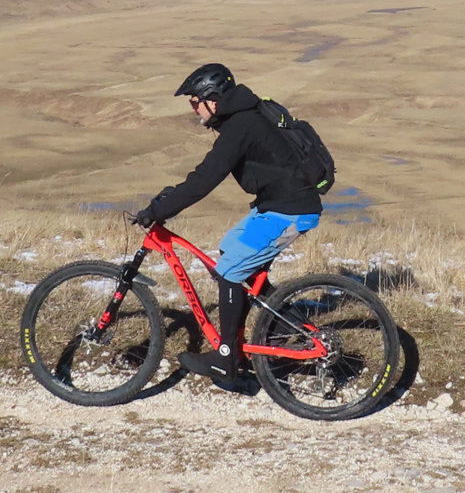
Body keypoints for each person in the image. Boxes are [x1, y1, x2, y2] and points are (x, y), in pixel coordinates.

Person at [132, 63, 324, 389]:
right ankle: (283, 322)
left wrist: (159, 209)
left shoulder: (240, 126)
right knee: (229, 250)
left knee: (231, 270)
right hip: (276, 206)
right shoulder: (243, 117)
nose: (193, 110)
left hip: (288, 211)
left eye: (195, 102)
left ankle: (228, 358)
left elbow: (205, 179)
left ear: (214, 99)